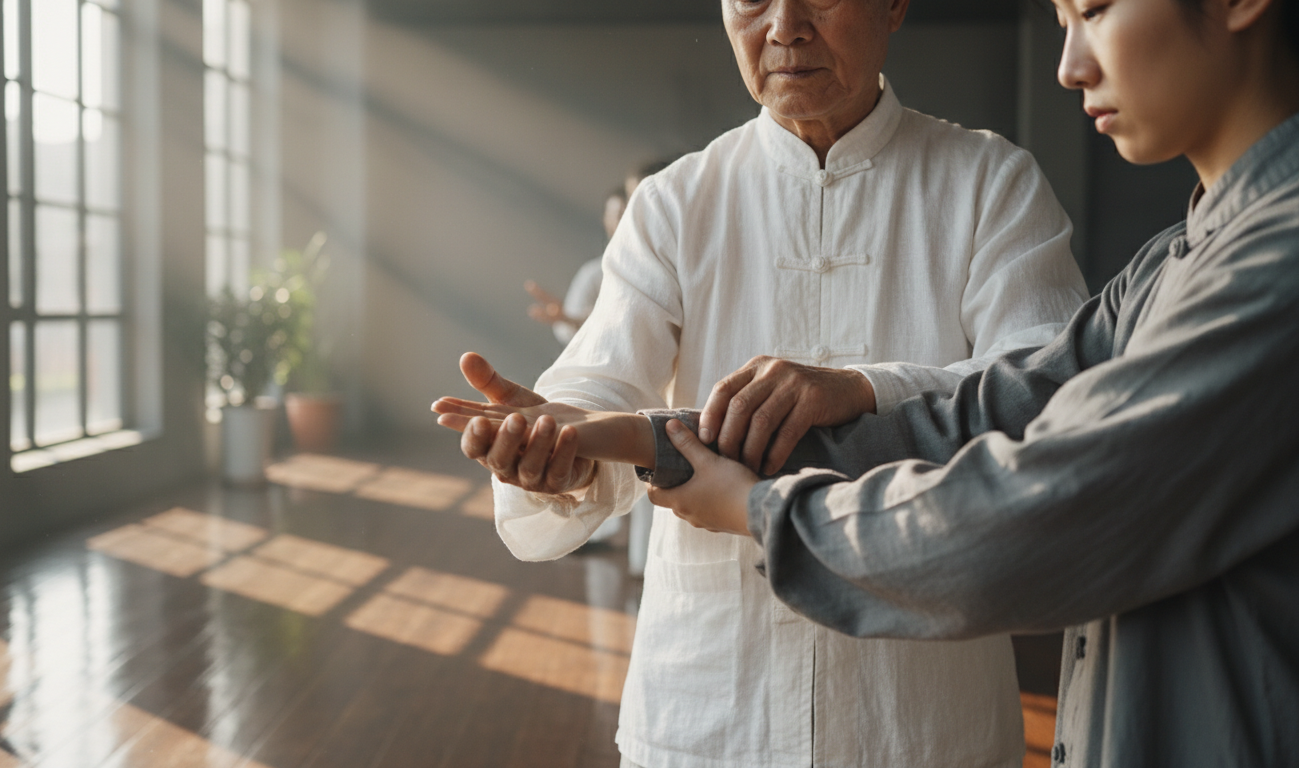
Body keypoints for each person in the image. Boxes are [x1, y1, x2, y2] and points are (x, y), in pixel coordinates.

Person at [447, 0, 1298, 764]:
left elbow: (1042, 416)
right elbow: (598, 383)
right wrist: (575, 443)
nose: (783, 26)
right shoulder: (674, 203)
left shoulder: (989, 182)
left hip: (926, 721)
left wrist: (853, 396)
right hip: (710, 710)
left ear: (895, 5)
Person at [525, 186, 629, 346]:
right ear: (605, 220)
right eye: (615, 215)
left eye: (626, 214)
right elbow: (570, 331)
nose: (621, 222)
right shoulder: (595, 274)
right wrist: (566, 319)